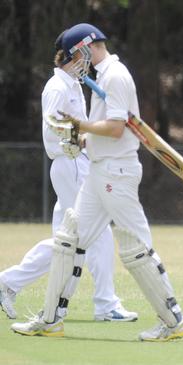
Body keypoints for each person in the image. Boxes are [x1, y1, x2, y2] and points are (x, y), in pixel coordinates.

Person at [11, 23, 183, 341]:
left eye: (77, 53)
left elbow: (117, 128)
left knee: (136, 246)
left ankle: (173, 320)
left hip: (116, 172)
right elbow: (105, 127)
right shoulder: (101, 77)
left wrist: (82, 126)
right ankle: (52, 319)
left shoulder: (116, 75)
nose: (77, 60)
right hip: (98, 170)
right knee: (70, 239)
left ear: (84, 48)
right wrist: (83, 140)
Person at [0, 30, 137, 323]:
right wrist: (82, 134)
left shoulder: (73, 84)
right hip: (70, 163)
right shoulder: (57, 87)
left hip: (77, 163)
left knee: (67, 240)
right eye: (87, 53)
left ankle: (9, 283)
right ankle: (105, 304)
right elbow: (52, 127)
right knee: (94, 232)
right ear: (75, 55)